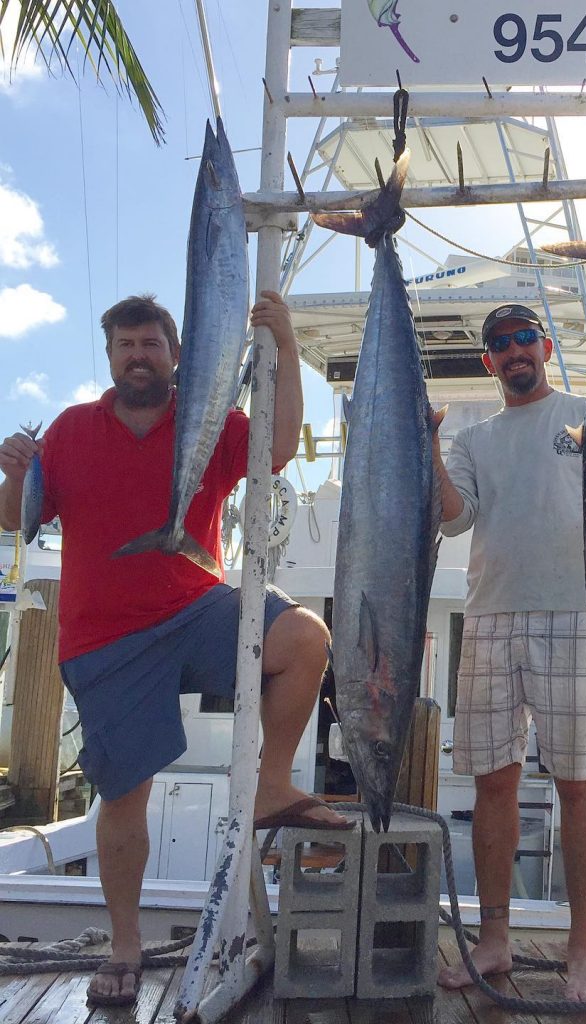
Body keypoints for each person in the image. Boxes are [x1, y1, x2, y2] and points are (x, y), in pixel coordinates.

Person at [0, 291, 351, 1008]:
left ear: (176, 355)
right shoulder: (69, 430)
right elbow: (18, 521)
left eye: (150, 344)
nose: (137, 356)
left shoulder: (210, 423)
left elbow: (278, 449)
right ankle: (125, 944)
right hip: (106, 641)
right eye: (125, 346)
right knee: (124, 801)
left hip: (196, 608)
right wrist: (12, 473)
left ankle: (273, 783)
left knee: (305, 639)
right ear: (110, 358)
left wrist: (284, 345)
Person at [433, 303, 586, 1003]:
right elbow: (455, 517)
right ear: (489, 363)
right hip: (491, 618)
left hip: (579, 615)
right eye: (499, 345)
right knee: (493, 785)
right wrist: (426, 446)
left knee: (577, 784)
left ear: (546, 344)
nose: (513, 352)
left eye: (522, 339)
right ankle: (495, 937)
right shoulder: (471, 440)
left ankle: (584, 946)